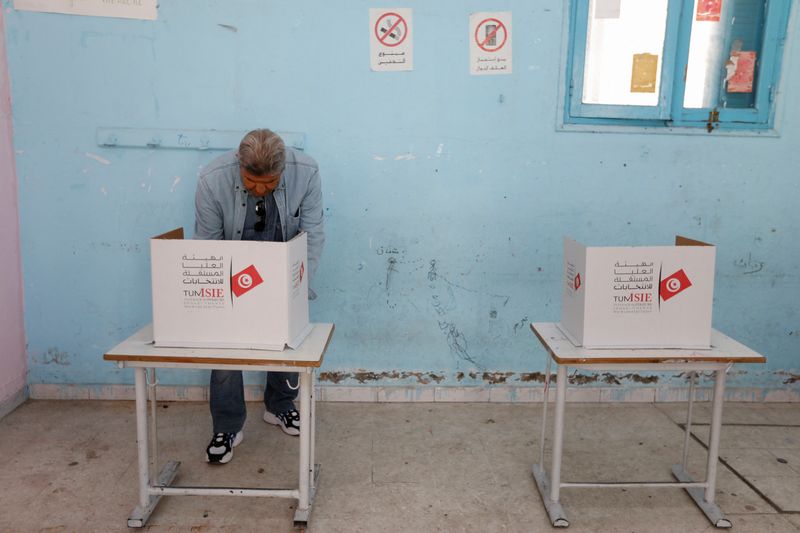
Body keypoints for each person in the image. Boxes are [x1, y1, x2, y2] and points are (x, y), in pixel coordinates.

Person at [194, 128, 324, 464]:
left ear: (283, 170)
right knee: (226, 344)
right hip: (230, 268)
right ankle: (227, 426)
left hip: (283, 263)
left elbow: (312, 234)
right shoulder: (212, 180)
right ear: (239, 164)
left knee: (287, 337)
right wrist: (220, 298)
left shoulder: (307, 172)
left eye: (270, 183)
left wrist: (299, 285)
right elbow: (208, 245)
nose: (260, 190)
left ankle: (280, 406)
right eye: (252, 182)